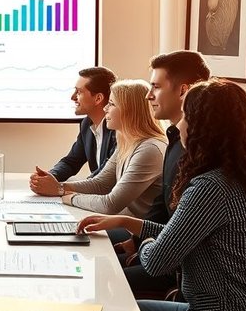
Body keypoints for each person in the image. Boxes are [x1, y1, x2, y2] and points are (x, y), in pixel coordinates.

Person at [77, 80, 246, 311]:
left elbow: (156, 261)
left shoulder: (211, 188)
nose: (179, 126)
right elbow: (182, 234)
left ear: (204, 128)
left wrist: (147, 241)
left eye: (185, 117)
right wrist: (129, 223)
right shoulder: (242, 178)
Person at [121, 50, 210, 294]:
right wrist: (136, 239)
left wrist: (146, 244)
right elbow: (164, 201)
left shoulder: (205, 154)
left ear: (184, 90)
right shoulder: (173, 138)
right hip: (168, 249)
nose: (148, 96)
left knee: (110, 281)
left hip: (184, 267)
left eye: (156, 87)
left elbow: (186, 226)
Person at [30, 79, 166, 217]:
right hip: (120, 222)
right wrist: (58, 188)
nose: (105, 108)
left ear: (129, 110)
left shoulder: (149, 149)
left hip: (135, 233)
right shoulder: (128, 142)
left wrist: (65, 195)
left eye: (111, 104)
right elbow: (101, 184)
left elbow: (110, 204)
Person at [35, 66, 117, 182]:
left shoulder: (117, 128)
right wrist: (50, 176)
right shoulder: (86, 124)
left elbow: (105, 176)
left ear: (98, 98)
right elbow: (71, 162)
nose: (73, 97)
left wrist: (59, 188)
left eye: (79, 92)